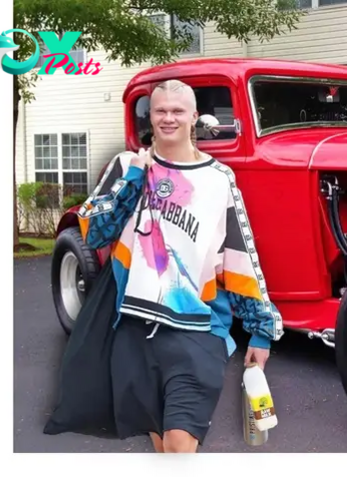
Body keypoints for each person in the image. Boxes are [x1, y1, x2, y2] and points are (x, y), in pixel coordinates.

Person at [76, 79, 283, 453]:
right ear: (150, 116)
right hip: (135, 328)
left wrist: (260, 330)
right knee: (161, 445)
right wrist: (135, 179)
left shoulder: (218, 179)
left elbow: (239, 254)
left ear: (193, 116)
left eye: (177, 110)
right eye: (160, 110)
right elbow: (93, 232)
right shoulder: (126, 165)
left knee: (179, 445)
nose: (168, 118)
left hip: (198, 328)